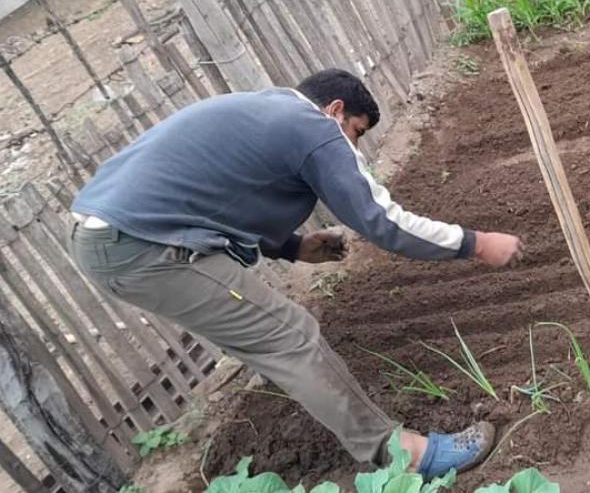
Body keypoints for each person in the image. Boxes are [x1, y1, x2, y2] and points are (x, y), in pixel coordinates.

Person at [68, 69, 522, 478]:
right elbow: (380, 221)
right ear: (335, 110)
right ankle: (405, 454)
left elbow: (220, 198)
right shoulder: (314, 129)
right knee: (290, 336)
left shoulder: (269, 111)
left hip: (118, 234)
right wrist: (477, 243)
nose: (353, 146)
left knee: (268, 335)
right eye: (356, 133)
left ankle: (322, 402)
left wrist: (292, 246)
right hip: (141, 246)